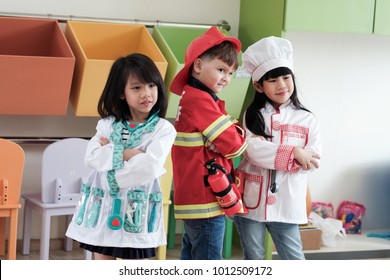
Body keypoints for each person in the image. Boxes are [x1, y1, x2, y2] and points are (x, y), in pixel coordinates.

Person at [66, 53, 176, 260]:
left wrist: (111, 162)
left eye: (152, 86)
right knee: (102, 260)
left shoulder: (163, 129)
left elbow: (150, 166)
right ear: (121, 93)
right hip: (104, 208)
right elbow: (91, 157)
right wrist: (129, 154)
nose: (147, 93)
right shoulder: (107, 125)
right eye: (137, 88)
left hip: (137, 208)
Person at [233, 36, 322, 260]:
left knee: (293, 259)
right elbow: (253, 152)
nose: (282, 85)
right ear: (258, 85)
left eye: (286, 77)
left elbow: (313, 162)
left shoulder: (307, 119)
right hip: (252, 203)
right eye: (273, 80)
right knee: (254, 258)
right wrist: (295, 154)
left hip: (288, 204)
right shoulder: (252, 116)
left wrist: (290, 156)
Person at [170, 26, 247, 260]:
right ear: (199, 65)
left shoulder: (192, 98)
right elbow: (235, 146)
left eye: (231, 73)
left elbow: (227, 140)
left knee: (192, 258)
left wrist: (226, 134)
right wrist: (235, 131)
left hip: (195, 198)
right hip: (205, 200)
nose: (226, 78)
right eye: (221, 69)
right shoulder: (200, 101)